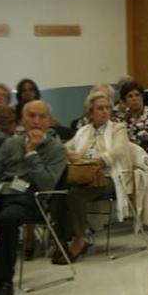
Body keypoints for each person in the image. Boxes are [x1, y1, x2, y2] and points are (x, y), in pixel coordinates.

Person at [0, 100, 67, 295]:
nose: (36, 121)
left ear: (48, 121)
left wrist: (32, 153)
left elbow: (46, 185)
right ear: (23, 119)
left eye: (42, 117)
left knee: (7, 219)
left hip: (33, 197)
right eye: (31, 116)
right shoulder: (11, 142)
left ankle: (4, 282)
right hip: (4, 193)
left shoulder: (56, 149)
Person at [58, 92, 131, 264]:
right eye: (100, 108)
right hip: (85, 177)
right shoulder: (83, 131)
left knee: (75, 194)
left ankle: (79, 239)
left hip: (109, 177)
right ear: (90, 113)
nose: (105, 111)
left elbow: (120, 150)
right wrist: (70, 153)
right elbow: (63, 148)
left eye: (107, 108)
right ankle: (61, 240)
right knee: (60, 191)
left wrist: (98, 161)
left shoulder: (118, 128)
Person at [113, 81, 148, 164]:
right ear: (124, 101)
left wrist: (124, 143)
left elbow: (145, 137)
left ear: (142, 97)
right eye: (130, 96)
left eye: (137, 95)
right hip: (128, 160)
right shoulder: (121, 117)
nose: (134, 99)